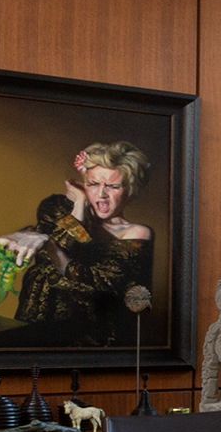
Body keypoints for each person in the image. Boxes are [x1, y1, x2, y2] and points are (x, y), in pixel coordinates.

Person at [13, 142, 154, 345]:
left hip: (91, 337)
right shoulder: (56, 207)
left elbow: (99, 283)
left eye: (113, 186)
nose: (101, 194)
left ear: (130, 190)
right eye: (93, 184)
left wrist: (51, 248)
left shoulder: (137, 233)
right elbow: (50, 256)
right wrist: (79, 204)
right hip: (35, 320)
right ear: (82, 183)